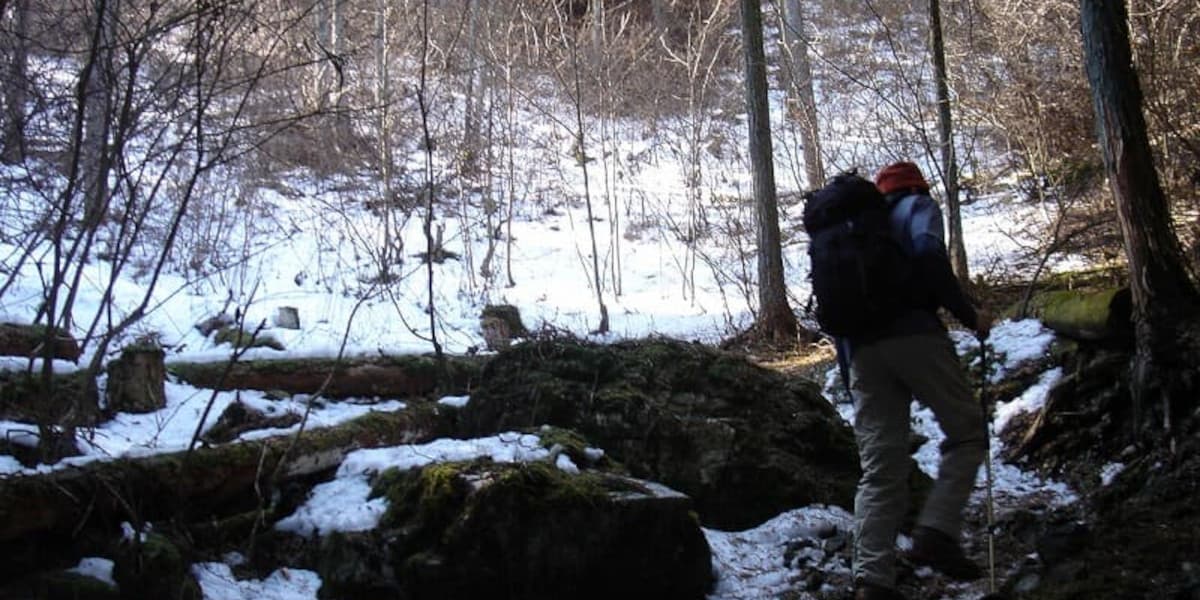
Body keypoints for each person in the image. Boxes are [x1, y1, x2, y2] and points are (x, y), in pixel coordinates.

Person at [842, 161, 993, 600]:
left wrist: (851, 370)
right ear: (918, 185)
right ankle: (935, 532)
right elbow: (929, 256)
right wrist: (969, 316)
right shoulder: (918, 208)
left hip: (862, 352)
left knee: (879, 469)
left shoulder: (850, 232)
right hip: (915, 337)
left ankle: (872, 580)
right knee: (967, 432)